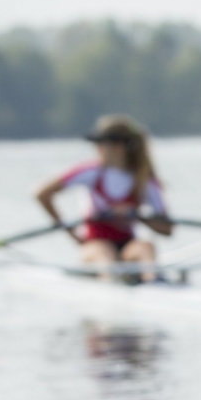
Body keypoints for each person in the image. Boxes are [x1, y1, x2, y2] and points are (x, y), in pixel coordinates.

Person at [35, 114, 173, 280]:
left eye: (100, 143)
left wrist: (137, 215)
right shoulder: (91, 172)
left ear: (120, 146)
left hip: (128, 246)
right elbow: (41, 194)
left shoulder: (144, 179)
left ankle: (154, 284)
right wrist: (72, 234)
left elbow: (167, 229)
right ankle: (112, 284)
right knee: (104, 254)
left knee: (145, 248)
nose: (96, 148)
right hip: (95, 243)